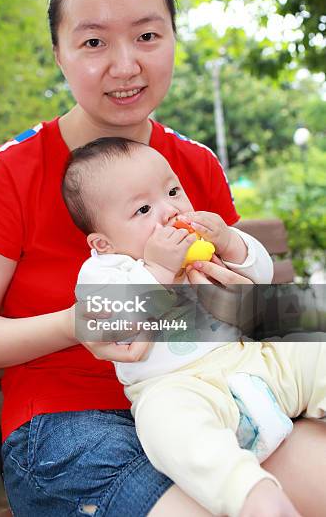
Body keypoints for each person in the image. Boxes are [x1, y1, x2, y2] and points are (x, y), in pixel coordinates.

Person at [0, 0, 326, 517]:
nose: (126, 65)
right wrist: (81, 322)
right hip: (69, 424)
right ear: (60, 53)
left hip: (221, 395)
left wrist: (261, 302)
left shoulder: (191, 164)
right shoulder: (14, 169)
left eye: (147, 36)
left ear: (173, 38)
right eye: (94, 42)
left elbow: (252, 307)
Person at [62, 136, 325, 517]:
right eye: (143, 209)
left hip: (255, 360)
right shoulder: (105, 270)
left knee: (312, 348)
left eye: (172, 191)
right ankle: (252, 496)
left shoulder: (203, 244)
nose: (170, 211)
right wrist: (158, 270)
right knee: (165, 426)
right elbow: (116, 323)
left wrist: (231, 243)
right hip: (181, 387)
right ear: (102, 242)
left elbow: (261, 273)